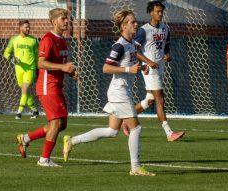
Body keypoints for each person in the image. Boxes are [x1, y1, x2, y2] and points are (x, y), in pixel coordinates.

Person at [63, 10, 155, 176]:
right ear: (123, 26)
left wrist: (143, 66)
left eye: (135, 22)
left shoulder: (132, 43)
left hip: (122, 91)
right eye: (132, 22)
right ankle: (135, 168)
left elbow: (133, 59)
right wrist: (129, 69)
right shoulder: (118, 45)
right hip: (119, 92)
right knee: (136, 128)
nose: (136, 24)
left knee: (112, 131)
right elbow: (106, 68)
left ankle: (72, 140)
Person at [16, 8, 78, 167]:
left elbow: (60, 65)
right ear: (54, 21)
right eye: (63, 18)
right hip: (47, 86)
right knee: (56, 123)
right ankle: (44, 159)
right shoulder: (48, 39)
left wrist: (69, 71)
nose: (66, 21)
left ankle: (25, 138)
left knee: (61, 124)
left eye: (67, 19)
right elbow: (41, 63)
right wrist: (63, 67)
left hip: (57, 86)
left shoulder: (62, 40)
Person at [121, 0, 185, 141]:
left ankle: (125, 119)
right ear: (151, 13)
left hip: (159, 67)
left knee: (150, 100)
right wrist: (148, 61)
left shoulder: (165, 28)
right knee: (160, 99)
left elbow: (166, 46)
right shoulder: (144, 30)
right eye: (158, 11)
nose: (160, 14)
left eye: (162, 11)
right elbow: (134, 50)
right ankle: (169, 133)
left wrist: (167, 55)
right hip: (149, 69)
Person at [3, 20, 39, 119]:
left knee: (25, 89)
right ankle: (35, 111)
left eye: (29, 27)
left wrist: (38, 69)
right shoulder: (14, 39)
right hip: (18, 69)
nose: (28, 29)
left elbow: (37, 56)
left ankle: (19, 113)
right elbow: (6, 53)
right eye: (26, 27)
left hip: (30, 69)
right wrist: (12, 58)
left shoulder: (33, 40)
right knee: (25, 91)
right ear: (20, 28)